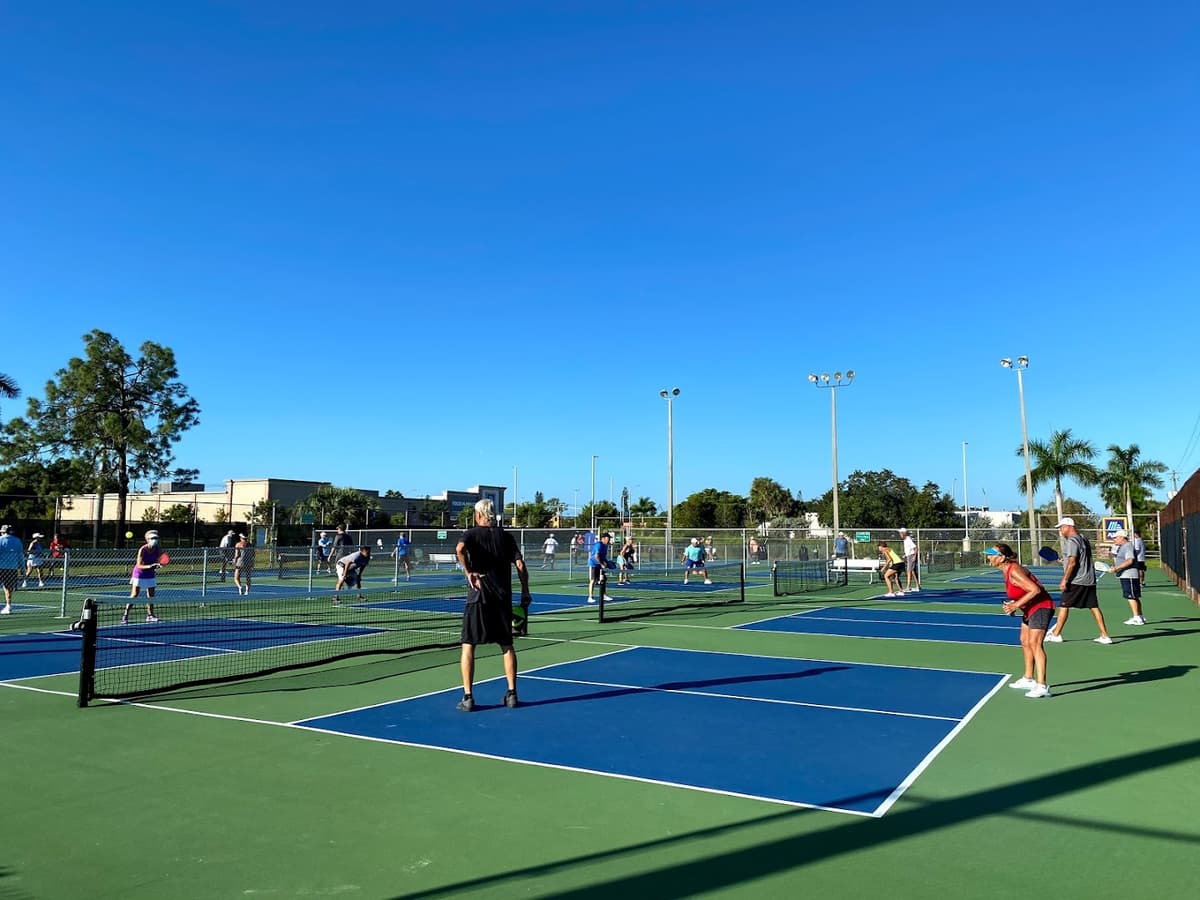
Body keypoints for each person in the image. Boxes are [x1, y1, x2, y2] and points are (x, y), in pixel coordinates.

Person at [454, 498, 531, 711]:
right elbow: (521, 565)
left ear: (478, 515)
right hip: (502, 598)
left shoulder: (470, 534)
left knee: (468, 645)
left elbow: (459, 548)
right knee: (507, 645)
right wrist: (525, 591)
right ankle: (512, 693)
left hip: (478, 597)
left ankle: (468, 697)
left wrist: (468, 571)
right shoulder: (506, 537)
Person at [989, 543, 1054, 698]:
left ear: (1002, 557)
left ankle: (1042, 685)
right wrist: (1014, 604)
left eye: (992, 554)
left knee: (1035, 643)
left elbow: (1035, 589)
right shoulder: (1006, 571)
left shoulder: (1014, 570)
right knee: (1025, 640)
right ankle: (1028, 678)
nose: (989, 557)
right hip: (1030, 608)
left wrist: (1015, 605)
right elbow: (1021, 592)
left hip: (1042, 607)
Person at [1045, 517, 1111, 644]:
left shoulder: (1072, 541)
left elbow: (1073, 562)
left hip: (1076, 580)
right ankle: (1104, 635)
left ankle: (1056, 634)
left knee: (1064, 605)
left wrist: (1065, 580)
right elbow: (1078, 558)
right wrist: (1063, 560)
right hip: (1089, 579)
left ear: (1069, 526)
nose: (1060, 530)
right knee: (1094, 606)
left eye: (1062, 527)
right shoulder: (1083, 538)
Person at [124, 529, 163, 624]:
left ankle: (150, 616)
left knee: (151, 596)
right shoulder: (142, 549)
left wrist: (158, 565)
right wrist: (150, 566)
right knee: (134, 595)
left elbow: (159, 560)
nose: (155, 540)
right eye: (153, 538)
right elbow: (139, 565)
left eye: (156, 538)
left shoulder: (157, 549)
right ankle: (125, 615)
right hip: (139, 574)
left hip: (150, 574)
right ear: (148, 539)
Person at [1110, 530, 1146, 625]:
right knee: (1135, 597)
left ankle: (1136, 618)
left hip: (1129, 575)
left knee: (1131, 597)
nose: (1114, 539)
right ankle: (1140, 616)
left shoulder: (1127, 546)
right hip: (1128, 575)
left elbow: (1130, 560)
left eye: (1116, 537)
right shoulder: (1124, 547)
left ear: (1122, 537)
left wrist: (1116, 568)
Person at [0, 525, 23, 615]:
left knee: (7, 588)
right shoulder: (17, 540)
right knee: (8, 588)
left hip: (1, 567)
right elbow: (20, 556)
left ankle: (8, 606)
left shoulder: (0, 540)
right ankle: (8, 606)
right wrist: (22, 568)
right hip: (12, 568)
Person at [588, 532, 615, 604]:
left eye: (609, 539)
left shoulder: (606, 546)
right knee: (593, 580)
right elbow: (596, 556)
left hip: (600, 564)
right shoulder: (598, 545)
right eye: (608, 538)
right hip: (593, 564)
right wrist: (602, 564)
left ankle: (604, 595)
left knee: (604, 579)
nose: (609, 540)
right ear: (603, 538)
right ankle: (590, 597)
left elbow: (603, 557)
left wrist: (607, 563)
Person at [899, 527, 920, 593]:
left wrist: (914, 556)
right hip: (909, 556)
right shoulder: (905, 540)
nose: (900, 534)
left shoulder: (908, 539)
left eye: (900, 533)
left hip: (911, 556)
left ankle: (908, 587)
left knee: (909, 571)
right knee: (912, 571)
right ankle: (918, 586)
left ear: (903, 533)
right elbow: (909, 549)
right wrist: (905, 555)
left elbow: (916, 548)